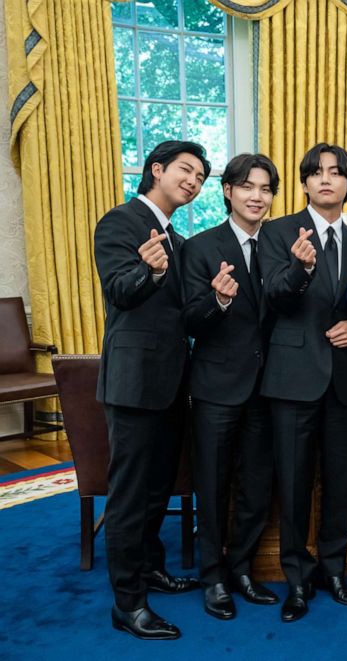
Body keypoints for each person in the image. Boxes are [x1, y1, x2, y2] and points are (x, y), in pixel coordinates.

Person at [94, 140, 210, 640]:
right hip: (134, 383)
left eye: (201, 177)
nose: (193, 181)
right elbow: (121, 290)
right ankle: (128, 603)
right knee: (130, 495)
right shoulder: (119, 222)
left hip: (171, 384)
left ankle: (150, 569)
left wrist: (219, 301)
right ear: (156, 170)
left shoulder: (179, 240)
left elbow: (184, 314)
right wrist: (152, 270)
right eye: (186, 170)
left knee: (157, 490)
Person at [258, 143, 347, 622]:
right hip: (292, 382)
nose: (326, 180)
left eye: (336, 173)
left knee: (340, 483)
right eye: (316, 173)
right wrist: (301, 269)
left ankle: (333, 571)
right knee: (294, 483)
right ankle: (296, 579)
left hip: (345, 382)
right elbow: (274, 298)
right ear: (305, 183)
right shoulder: (278, 233)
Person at [181, 153, 281, 620]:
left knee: (257, 485)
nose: (256, 196)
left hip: (270, 389)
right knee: (214, 485)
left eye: (264, 189)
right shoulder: (200, 248)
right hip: (217, 387)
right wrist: (219, 301)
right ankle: (213, 577)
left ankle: (242, 568)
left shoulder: (281, 245)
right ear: (228, 191)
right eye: (247, 187)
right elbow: (190, 320)